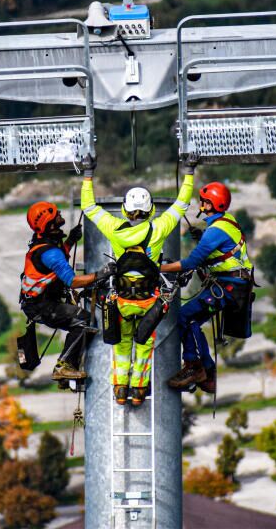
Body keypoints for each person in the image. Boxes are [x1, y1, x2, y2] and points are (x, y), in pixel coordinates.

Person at [81, 153, 197, 406]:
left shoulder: (114, 228)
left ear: (125, 209)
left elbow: (88, 207)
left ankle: (120, 389)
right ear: (150, 209)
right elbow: (182, 204)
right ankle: (139, 390)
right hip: (148, 302)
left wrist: (88, 174)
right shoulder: (159, 228)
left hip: (122, 300)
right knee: (144, 345)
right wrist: (188, 172)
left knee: (122, 345)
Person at [161, 181, 253, 395]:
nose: (200, 203)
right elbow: (222, 247)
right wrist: (202, 238)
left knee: (184, 316)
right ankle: (207, 369)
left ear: (210, 204)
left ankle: (194, 366)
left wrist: (159, 268)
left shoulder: (215, 231)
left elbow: (191, 262)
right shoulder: (226, 221)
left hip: (229, 286)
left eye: (203, 201)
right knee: (191, 320)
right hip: (232, 284)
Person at [20, 201, 109, 384]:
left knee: (81, 323)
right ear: (49, 223)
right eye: (55, 214)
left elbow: (56, 261)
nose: (60, 213)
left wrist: (70, 242)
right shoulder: (49, 252)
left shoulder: (45, 242)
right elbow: (72, 281)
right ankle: (64, 366)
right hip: (42, 305)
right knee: (84, 320)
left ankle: (68, 369)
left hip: (38, 303)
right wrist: (101, 274)